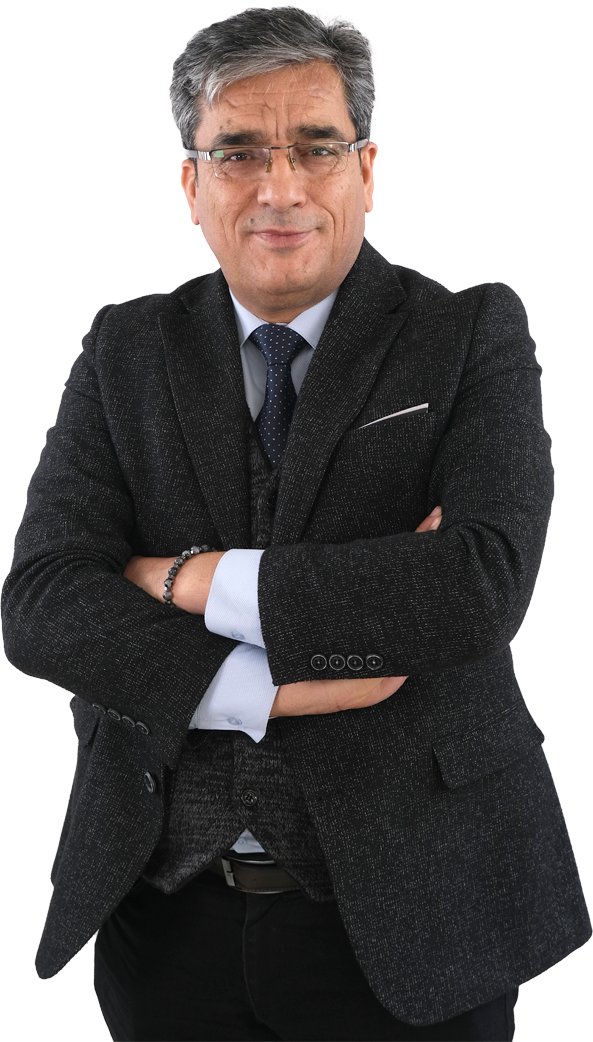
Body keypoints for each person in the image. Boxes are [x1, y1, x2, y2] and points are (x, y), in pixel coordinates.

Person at [1, 6, 590, 1041]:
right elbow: (43, 605)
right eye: (237, 152)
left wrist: (181, 578)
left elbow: (474, 586)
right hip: (163, 913)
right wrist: (256, 689)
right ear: (190, 185)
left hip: (421, 909)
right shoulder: (124, 347)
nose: (279, 187)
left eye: (315, 147)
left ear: (365, 169)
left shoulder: (468, 335)